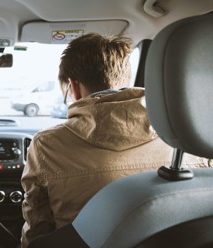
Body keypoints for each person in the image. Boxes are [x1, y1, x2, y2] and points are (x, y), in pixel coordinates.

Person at [20, 33, 208, 248]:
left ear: (73, 86)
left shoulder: (46, 145)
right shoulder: (191, 137)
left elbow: (37, 227)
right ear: (124, 80)